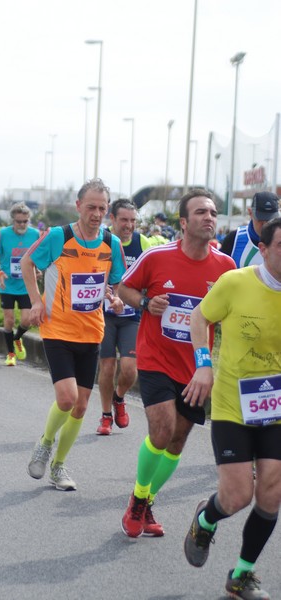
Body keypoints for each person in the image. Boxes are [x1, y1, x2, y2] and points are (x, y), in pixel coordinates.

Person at [118, 188, 235, 538]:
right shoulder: (157, 257)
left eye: (213, 212)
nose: (209, 218)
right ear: (183, 223)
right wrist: (145, 303)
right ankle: (138, 499)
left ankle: (149, 499)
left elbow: (231, 316)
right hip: (155, 358)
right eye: (200, 212)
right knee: (163, 428)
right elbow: (124, 288)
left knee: (179, 439)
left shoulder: (226, 268)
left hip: (194, 368)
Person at [183, 217, 281, 600]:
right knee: (238, 495)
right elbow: (199, 317)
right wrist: (203, 363)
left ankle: (241, 575)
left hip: (276, 405)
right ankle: (206, 519)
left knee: (271, 492)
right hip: (233, 404)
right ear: (264, 248)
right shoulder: (237, 282)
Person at [21, 178, 126, 491]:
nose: (96, 213)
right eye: (91, 206)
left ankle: (58, 466)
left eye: (102, 208)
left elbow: (113, 282)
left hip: (92, 332)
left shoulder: (111, 244)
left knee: (81, 407)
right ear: (78, 206)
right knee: (66, 399)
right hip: (57, 328)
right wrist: (37, 301)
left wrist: (114, 297)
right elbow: (27, 263)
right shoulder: (58, 236)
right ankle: (45, 442)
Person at [96, 198, 150, 435]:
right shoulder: (101, 239)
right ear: (113, 219)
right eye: (124, 220)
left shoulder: (143, 242)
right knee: (107, 367)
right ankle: (106, 416)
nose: (129, 225)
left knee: (129, 370)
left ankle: (119, 397)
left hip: (132, 316)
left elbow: (153, 276)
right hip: (104, 313)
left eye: (133, 220)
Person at [0, 202, 40, 366]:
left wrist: (38, 269)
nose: (22, 225)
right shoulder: (2, 234)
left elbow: (41, 255)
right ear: (13, 220)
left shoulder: (35, 234)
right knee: (9, 320)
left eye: (25, 221)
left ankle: (17, 339)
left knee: (27, 320)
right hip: (7, 284)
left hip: (26, 284)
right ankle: (10, 353)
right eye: (19, 221)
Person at [220, 191, 279, 267]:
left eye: (270, 219)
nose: (265, 224)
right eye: (260, 218)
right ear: (250, 213)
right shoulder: (233, 239)